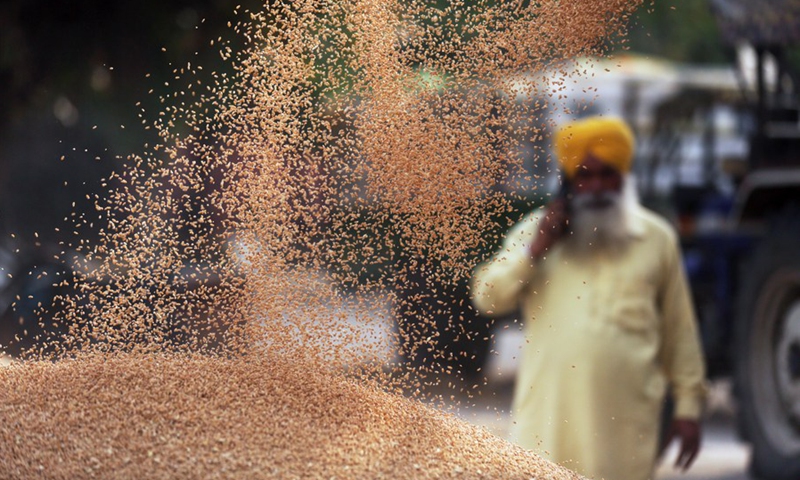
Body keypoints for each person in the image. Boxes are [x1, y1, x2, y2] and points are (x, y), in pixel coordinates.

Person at [470, 116, 707, 480]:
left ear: (624, 177)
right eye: (584, 176)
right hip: (547, 429)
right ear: (568, 184)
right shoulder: (537, 232)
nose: (596, 186)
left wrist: (688, 409)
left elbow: (680, 330)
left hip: (626, 430)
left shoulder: (656, 238)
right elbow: (487, 297)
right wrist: (535, 250)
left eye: (606, 174)